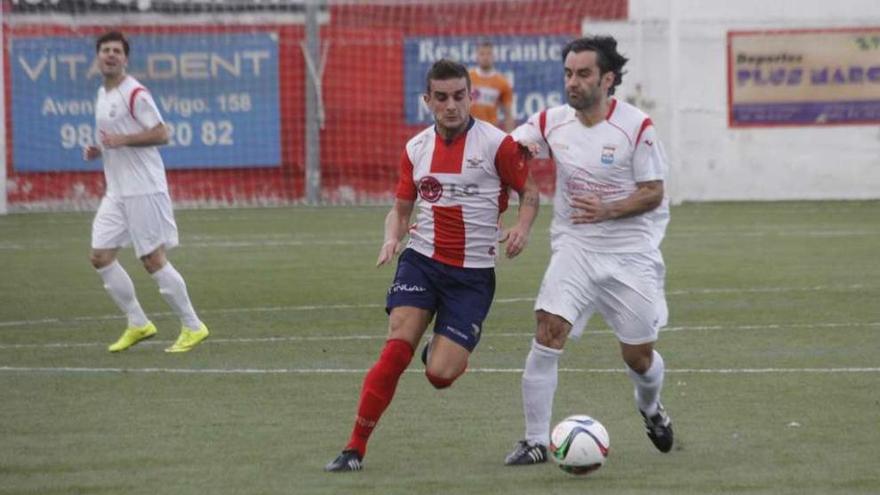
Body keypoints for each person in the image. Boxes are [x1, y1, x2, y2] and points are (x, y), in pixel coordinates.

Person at [324, 59, 540, 472]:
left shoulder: (498, 145)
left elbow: (529, 193)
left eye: (459, 96)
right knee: (395, 350)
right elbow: (400, 211)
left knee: (439, 374)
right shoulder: (415, 148)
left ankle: (443, 352)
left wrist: (522, 228)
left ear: (470, 96)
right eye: (441, 98)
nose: (451, 105)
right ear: (428, 100)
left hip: (472, 276)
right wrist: (392, 237)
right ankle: (354, 448)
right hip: (421, 261)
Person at [503, 36, 674, 466]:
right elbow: (511, 152)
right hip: (575, 247)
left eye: (582, 74)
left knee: (639, 357)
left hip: (630, 253)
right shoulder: (551, 121)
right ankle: (535, 440)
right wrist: (518, 178)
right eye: (567, 74)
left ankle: (651, 408)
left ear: (608, 79)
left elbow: (653, 192)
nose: (572, 82)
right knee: (548, 329)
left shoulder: (636, 127)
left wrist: (608, 209)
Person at [82, 31, 209, 353]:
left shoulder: (135, 92)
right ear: (98, 57)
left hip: (144, 188)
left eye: (116, 51)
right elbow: (115, 137)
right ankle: (138, 322)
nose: (110, 55)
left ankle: (193, 326)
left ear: (125, 58)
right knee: (100, 256)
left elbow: (162, 133)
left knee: (152, 259)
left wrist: (122, 141)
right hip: (118, 191)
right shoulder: (102, 94)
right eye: (105, 50)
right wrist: (100, 150)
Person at [469, 41, 515, 132]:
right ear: (477, 57)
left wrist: (511, 137)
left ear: (494, 57)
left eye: (489, 54)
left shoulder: (502, 83)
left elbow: (508, 114)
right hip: (469, 129)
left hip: (490, 131)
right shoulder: (467, 78)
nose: (485, 57)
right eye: (482, 54)